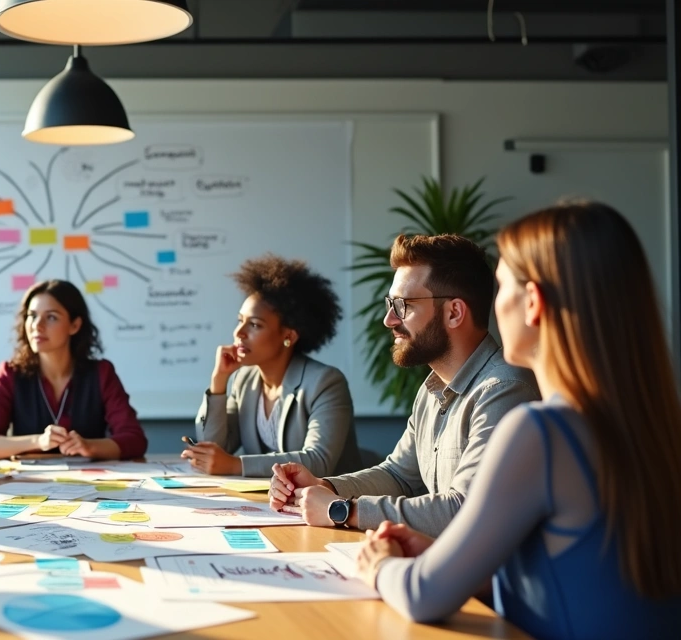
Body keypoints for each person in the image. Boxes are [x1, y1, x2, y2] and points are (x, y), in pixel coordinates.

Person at [356, 202, 681, 636]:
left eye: (501, 285)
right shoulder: (650, 424)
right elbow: (577, 581)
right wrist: (444, 555)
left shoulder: (543, 432)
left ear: (533, 303)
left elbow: (422, 596)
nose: (491, 305)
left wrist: (380, 565)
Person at [269, 234, 538, 536]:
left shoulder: (504, 390)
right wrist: (325, 486)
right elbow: (399, 475)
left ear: (454, 312)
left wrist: (341, 509)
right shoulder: (432, 389)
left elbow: (465, 509)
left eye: (403, 305)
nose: (388, 320)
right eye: (390, 304)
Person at [184, 254, 361, 477]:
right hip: (271, 504)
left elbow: (318, 461)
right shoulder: (244, 380)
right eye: (240, 321)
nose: (239, 333)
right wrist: (219, 382)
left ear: (288, 336)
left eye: (255, 325)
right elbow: (215, 448)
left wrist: (235, 465)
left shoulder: (325, 383)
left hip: (333, 504)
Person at [0, 279, 147, 460]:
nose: (37, 326)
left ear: (75, 325)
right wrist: (38, 441)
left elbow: (134, 440)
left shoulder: (101, 373)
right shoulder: (10, 373)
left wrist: (89, 446)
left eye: (51, 317)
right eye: (32, 316)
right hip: (29, 484)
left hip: (90, 482)